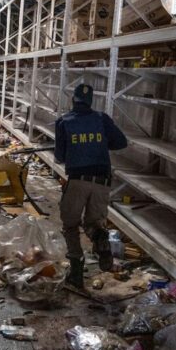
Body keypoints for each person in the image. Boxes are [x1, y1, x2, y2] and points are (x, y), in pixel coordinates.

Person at [54, 84, 127, 288]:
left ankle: (76, 270)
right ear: (91, 101)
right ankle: (101, 240)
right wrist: (101, 143)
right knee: (93, 224)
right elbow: (121, 142)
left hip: (78, 180)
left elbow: (59, 157)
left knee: (70, 224)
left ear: (73, 100)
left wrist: (72, 147)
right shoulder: (102, 119)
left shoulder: (63, 122)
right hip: (102, 181)